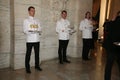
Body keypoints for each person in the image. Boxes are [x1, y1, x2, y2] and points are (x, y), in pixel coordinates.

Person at [23, 6, 42, 73]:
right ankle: (27, 68)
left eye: (34, 11)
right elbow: (25, 30)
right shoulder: (26, 20)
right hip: (30, 40)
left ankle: (37, 66)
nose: (33, 12)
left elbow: (40, 29)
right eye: (32, 10)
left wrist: (39, 31)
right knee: (28, 54)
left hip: (37, 39)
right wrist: (31, 31)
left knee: (37, 54)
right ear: (29, 11)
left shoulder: (37, 20)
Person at [104, 11, 120, 80]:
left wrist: (111, 21)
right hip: (117, 47)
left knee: (109, 65)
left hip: (111, 47)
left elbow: (107, 31)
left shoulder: (111, 23)